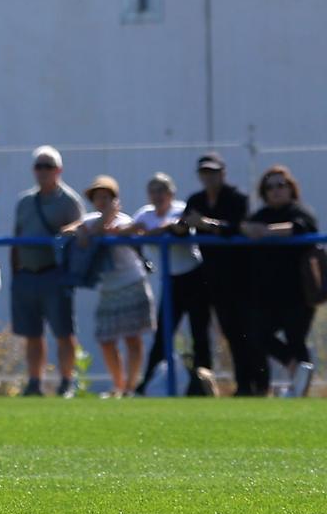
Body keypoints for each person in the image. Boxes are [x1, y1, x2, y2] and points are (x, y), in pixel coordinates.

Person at [11, 145, 85, 397]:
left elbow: (81, 230)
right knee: (32, 334)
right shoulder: (25, 201)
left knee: (63, 332)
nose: (43, 171)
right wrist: (16, 273)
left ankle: (67, 381)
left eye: (48, 166)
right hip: (26, 274)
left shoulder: (69, 201)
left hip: (55, 274)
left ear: (58, 170)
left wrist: (69, 231)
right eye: (39, 166)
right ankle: (35, 382)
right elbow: (17, 237)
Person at [181, 153, 256, 394]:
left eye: (213, 172)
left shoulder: (237, 198)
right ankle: (202, 385)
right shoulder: (196, 199)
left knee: (234, 331)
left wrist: (205, 223)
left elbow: (238, 227)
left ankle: (245, 385)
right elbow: (183, 226)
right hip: (206, 273)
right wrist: (178, 226)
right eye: (204, 172)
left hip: (235, 275)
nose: (209, 177)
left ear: (223, 173)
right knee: (199, 330)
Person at [241, 165, 318, 398]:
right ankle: (296, 370)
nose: (275, 190)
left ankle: (300, 389)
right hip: (267, 293)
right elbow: (245, 227)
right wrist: (247, 228)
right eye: (270, 187)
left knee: (296, 339)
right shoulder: (260, 215)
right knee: (258, 334)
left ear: (291, 188)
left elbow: (302, 227)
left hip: (298, 292)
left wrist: (267, 231)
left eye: (281, 185)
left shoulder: (299, 211)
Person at [130, 173, 206, 395]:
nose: (157, 195)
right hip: (171, 280)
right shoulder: (145, 213)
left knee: (199, 332)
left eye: (162, 190)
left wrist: (154, 231)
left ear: (171, 193)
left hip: (194, 276)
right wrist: (142, 253)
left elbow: (177, 226)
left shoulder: (180, 209)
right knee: (163, 334)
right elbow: (130, 231)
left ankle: (202, 384)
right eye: (153, 190)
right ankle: (145, 384)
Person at [74, 176, 150, 398]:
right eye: (98, 197)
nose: (102, 201)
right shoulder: (89, 221)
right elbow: (69, 231)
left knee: (132, 338)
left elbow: (129, 230)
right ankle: (118, 385)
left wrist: (105, 225)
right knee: (106, 340)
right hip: (108, 289)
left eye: (106, 197)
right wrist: (81, 231)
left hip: (131, 283)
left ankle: (130, 388)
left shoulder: (124, 220)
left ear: (115, 199)